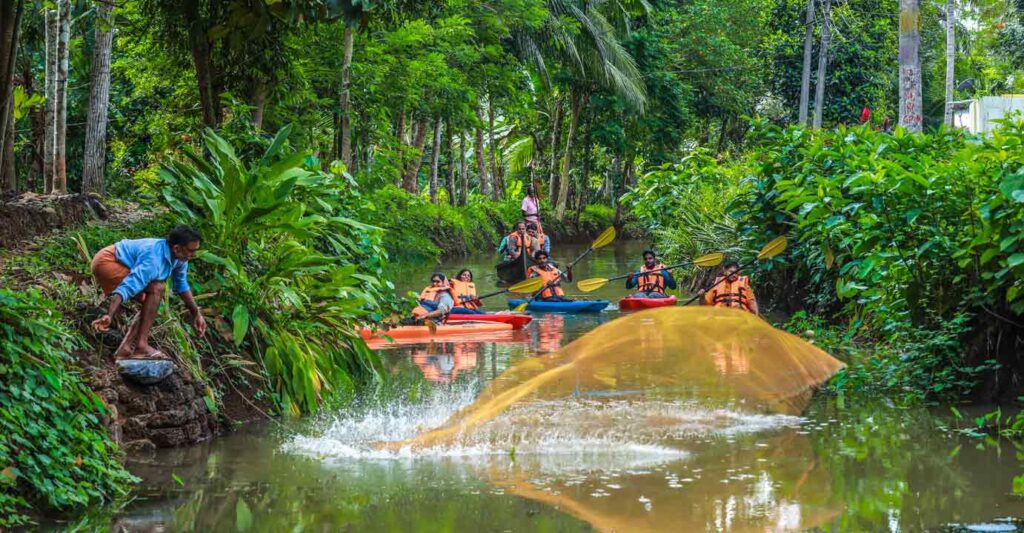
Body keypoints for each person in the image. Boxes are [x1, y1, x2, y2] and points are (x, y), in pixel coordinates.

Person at [90, 225, 207, 360]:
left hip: (120, 262)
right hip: (107, 261)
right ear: (176, 248)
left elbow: (181, 285)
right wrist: (109, 314)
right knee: (157, 288)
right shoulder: (153, 259)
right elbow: (128, 286)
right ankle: (141, 345)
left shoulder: (180, 258)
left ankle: (126, 348)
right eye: (191, 251)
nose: (194, 255)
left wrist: (196, 313)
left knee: (151, 301)